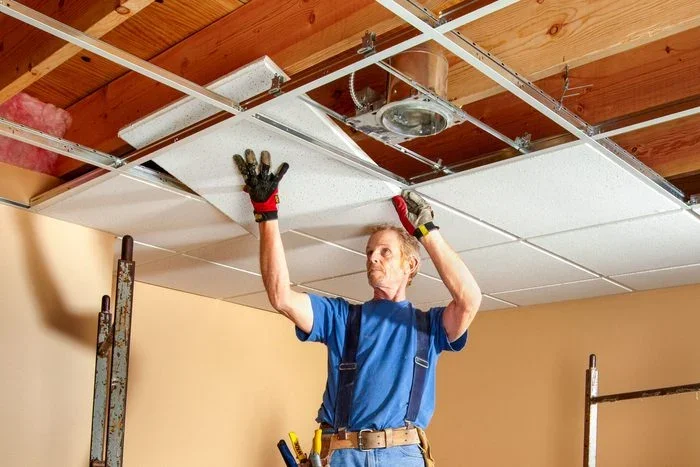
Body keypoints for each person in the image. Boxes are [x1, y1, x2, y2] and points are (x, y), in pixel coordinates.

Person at [234, 149, 482, 466]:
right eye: (368, 252)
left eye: (384, 251)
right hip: (341, 452)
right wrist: (266, 213)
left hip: (402, 454)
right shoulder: (342, 318)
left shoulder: (429, 327)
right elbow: (281, 296)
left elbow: (470, 299)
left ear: (411, 264)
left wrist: (426, 231)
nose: (372, 258)